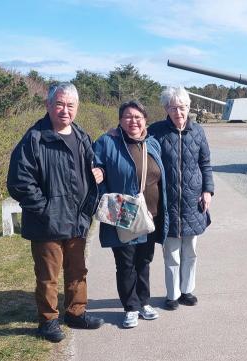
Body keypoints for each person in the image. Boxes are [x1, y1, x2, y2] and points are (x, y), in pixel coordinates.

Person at [7, 83, 105, 342]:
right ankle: (48, 321)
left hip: (77, 218)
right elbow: (19, 182)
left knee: (77, 271)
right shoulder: (34, 139)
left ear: (77, 107)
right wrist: (45, 209)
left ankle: (76, 313)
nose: (65, 110)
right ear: (48, 105)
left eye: (70, 105)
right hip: (47, 222)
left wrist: (97, 173)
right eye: (59, 104)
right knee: (48, 276)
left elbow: (90, 166)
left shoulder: (81, 136)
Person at [92, 100, 168, 328]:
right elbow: (97, 170)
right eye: (127, 116)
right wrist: (108, 200)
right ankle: (130, 307)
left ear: (145, 120)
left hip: (151, 214)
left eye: (137, 117)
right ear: (120, 120)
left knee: (144, 261)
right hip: (123, 212)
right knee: (126, 263)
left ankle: (144, 302)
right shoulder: (108, 142)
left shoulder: (152, 143)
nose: (133, 121)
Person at [148, 86, 214, 310]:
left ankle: (187, 290)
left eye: (182, 107)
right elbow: (136, 140)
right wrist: (115, 133)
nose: (178, 112)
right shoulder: (156, 131)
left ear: (188, 107)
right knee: (172, 253)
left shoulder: (198, 132)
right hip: (167, 203)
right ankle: (172, 294)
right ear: (166, 109)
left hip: (193, 202)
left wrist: (207, 190)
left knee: (191, 251)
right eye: (173, 107)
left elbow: (205, 163)